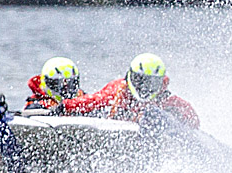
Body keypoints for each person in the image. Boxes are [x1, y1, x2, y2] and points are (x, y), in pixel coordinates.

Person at [59, 53, 199, 128]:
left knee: (154, 114)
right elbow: (92, 100)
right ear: (131, 76)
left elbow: (193, 120)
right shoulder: (118, 89)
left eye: (151, 83)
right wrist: (64, 107)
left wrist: (174, 116)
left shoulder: (168, 100)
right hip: (116, 125)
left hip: (150, 135)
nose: (145, 88)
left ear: (162, 83)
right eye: (140, 81)